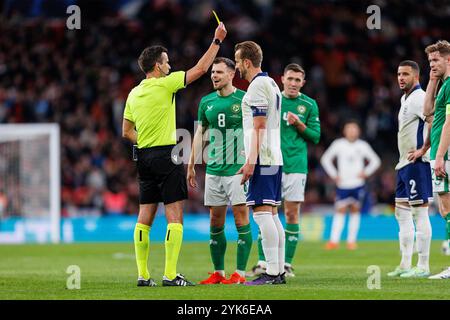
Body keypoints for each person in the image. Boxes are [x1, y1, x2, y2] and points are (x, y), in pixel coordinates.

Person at [122, 23, 227, 287]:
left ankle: (143, 276)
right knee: (174, 215)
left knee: (144, 216)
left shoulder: (134, 93)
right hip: (166, 156)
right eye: (167, 62)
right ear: (157, 67)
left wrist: (145, 141)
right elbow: (202, 69)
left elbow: (126, 132)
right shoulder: (165, 84)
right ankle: (170, 275)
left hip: (144, 157)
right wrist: (216, 41)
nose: (170, 66)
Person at [248, 63, 321, 278]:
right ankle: (264, 261)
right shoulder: (273, 99)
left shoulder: (309, 104)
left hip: (296, 165)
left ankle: (286, 263)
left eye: (298, 80)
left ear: (303, 83)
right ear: (282, 79)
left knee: (290, 213)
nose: (293, 83)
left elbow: (315, 137)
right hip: (271, 162)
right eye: (290, 79)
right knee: (267, 211)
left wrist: (299, 124)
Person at [187, 57, 252, 285]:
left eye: (219, 72)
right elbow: (200, 133)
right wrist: (192, 163)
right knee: (215, 220)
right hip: (214, 170)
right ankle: (219, 272)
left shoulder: (244, 100)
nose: (214, 76)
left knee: (241, 217)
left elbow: (257, 130)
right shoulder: (206, 102)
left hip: (237, 170)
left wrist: (252, 159)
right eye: (212, 72)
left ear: (231, 74)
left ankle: (241, 274)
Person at [234, 41, 285, 285]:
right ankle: (278, 271)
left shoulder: (256, 87)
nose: (236, 68)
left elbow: (259, 125)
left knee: (262, 215)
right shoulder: (272, 83)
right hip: (274, 156)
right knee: (272, 215)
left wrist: (250, 162)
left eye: (237, 62)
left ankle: (272, 272)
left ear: (246, 62)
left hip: (263, 158)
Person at [387, 60, 433, 278]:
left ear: (416, 76)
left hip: (417, 164)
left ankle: (423, 265)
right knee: (401, 213)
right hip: (403, 164)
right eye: (398, 74)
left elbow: (435, 121)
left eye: (405, 74)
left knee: (419, 212)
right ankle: (405, 264)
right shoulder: (404, 99)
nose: (401, 78)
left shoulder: (419, 98)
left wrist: (423, 150)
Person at [320, 121, 381, 250]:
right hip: (343, 184)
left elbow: (376, 161)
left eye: (354, 129)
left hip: (358, 184)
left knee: (355, 210)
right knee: (340, 211)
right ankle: (333, 241)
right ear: (345, 131)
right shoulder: (338, 144)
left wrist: (366, 172)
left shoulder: (362, 145)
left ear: (358, 131)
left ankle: (351, 241)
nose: (352, 131)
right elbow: (325, 159)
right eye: (350, 129)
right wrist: (334, 174)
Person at [423, 40, 450, 279]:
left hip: (445, 154)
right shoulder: (442, 85)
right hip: (439, 154)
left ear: (448, 59)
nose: (432, 64)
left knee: (448, 207)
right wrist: (432, 80)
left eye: (436, 60)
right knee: (444, 209)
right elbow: (428, 112)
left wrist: (440, 155)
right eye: (430, 61)